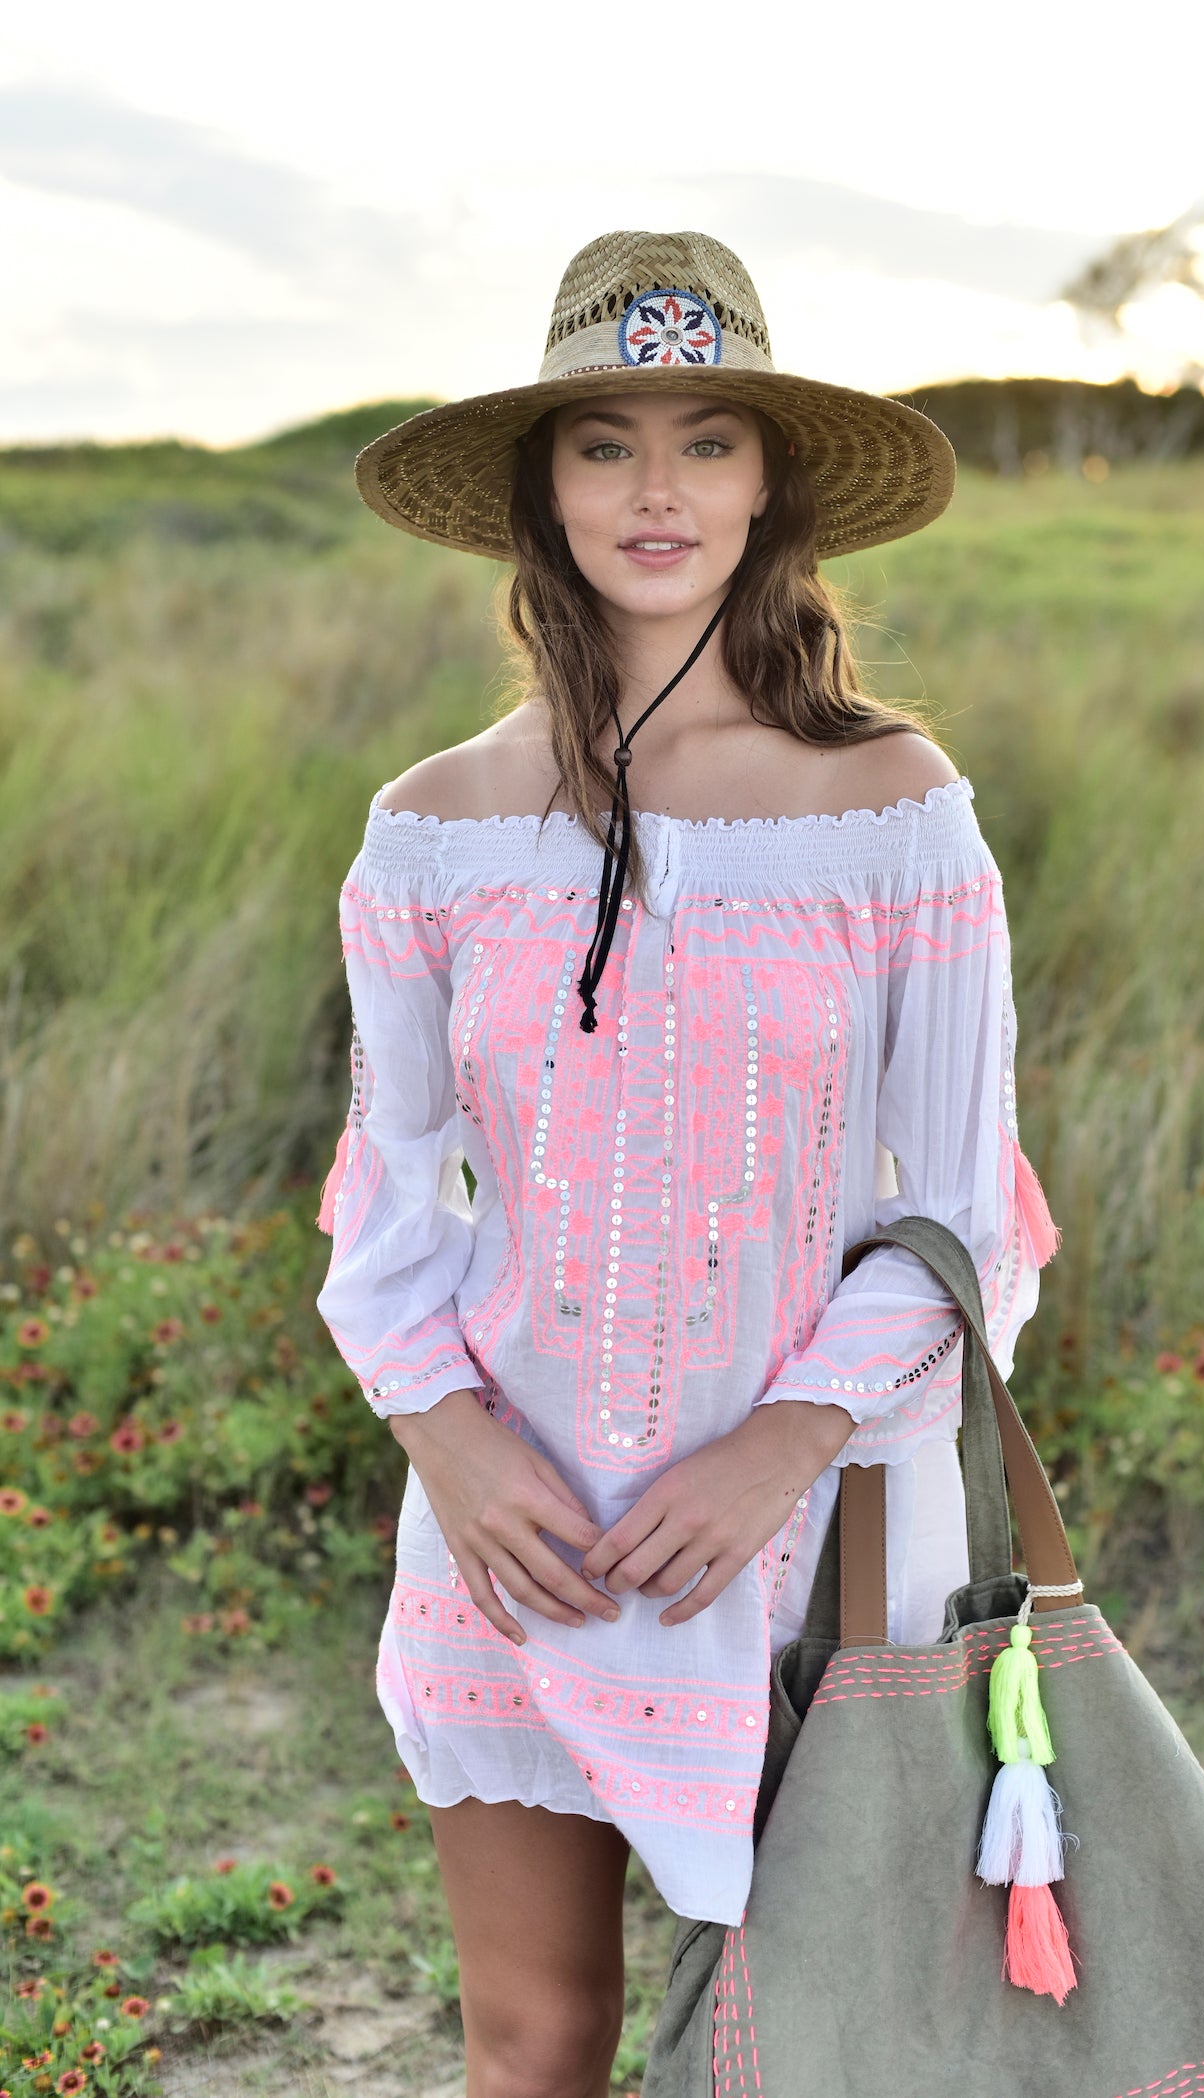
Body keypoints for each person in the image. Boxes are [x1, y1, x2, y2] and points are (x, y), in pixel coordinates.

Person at [314, 230, 1060, 2098]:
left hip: (821, 1518)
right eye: (603, 443)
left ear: (771, 485)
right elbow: (386, 1199)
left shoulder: (891, 806)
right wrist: (453, 1447)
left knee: (835, 2051)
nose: (657, 491)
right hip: (525, 1519)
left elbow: (967, 1207)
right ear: (537, 488)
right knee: (532, 2038)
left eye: (710, 440)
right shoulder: (433, 829)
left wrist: (779, 1440)